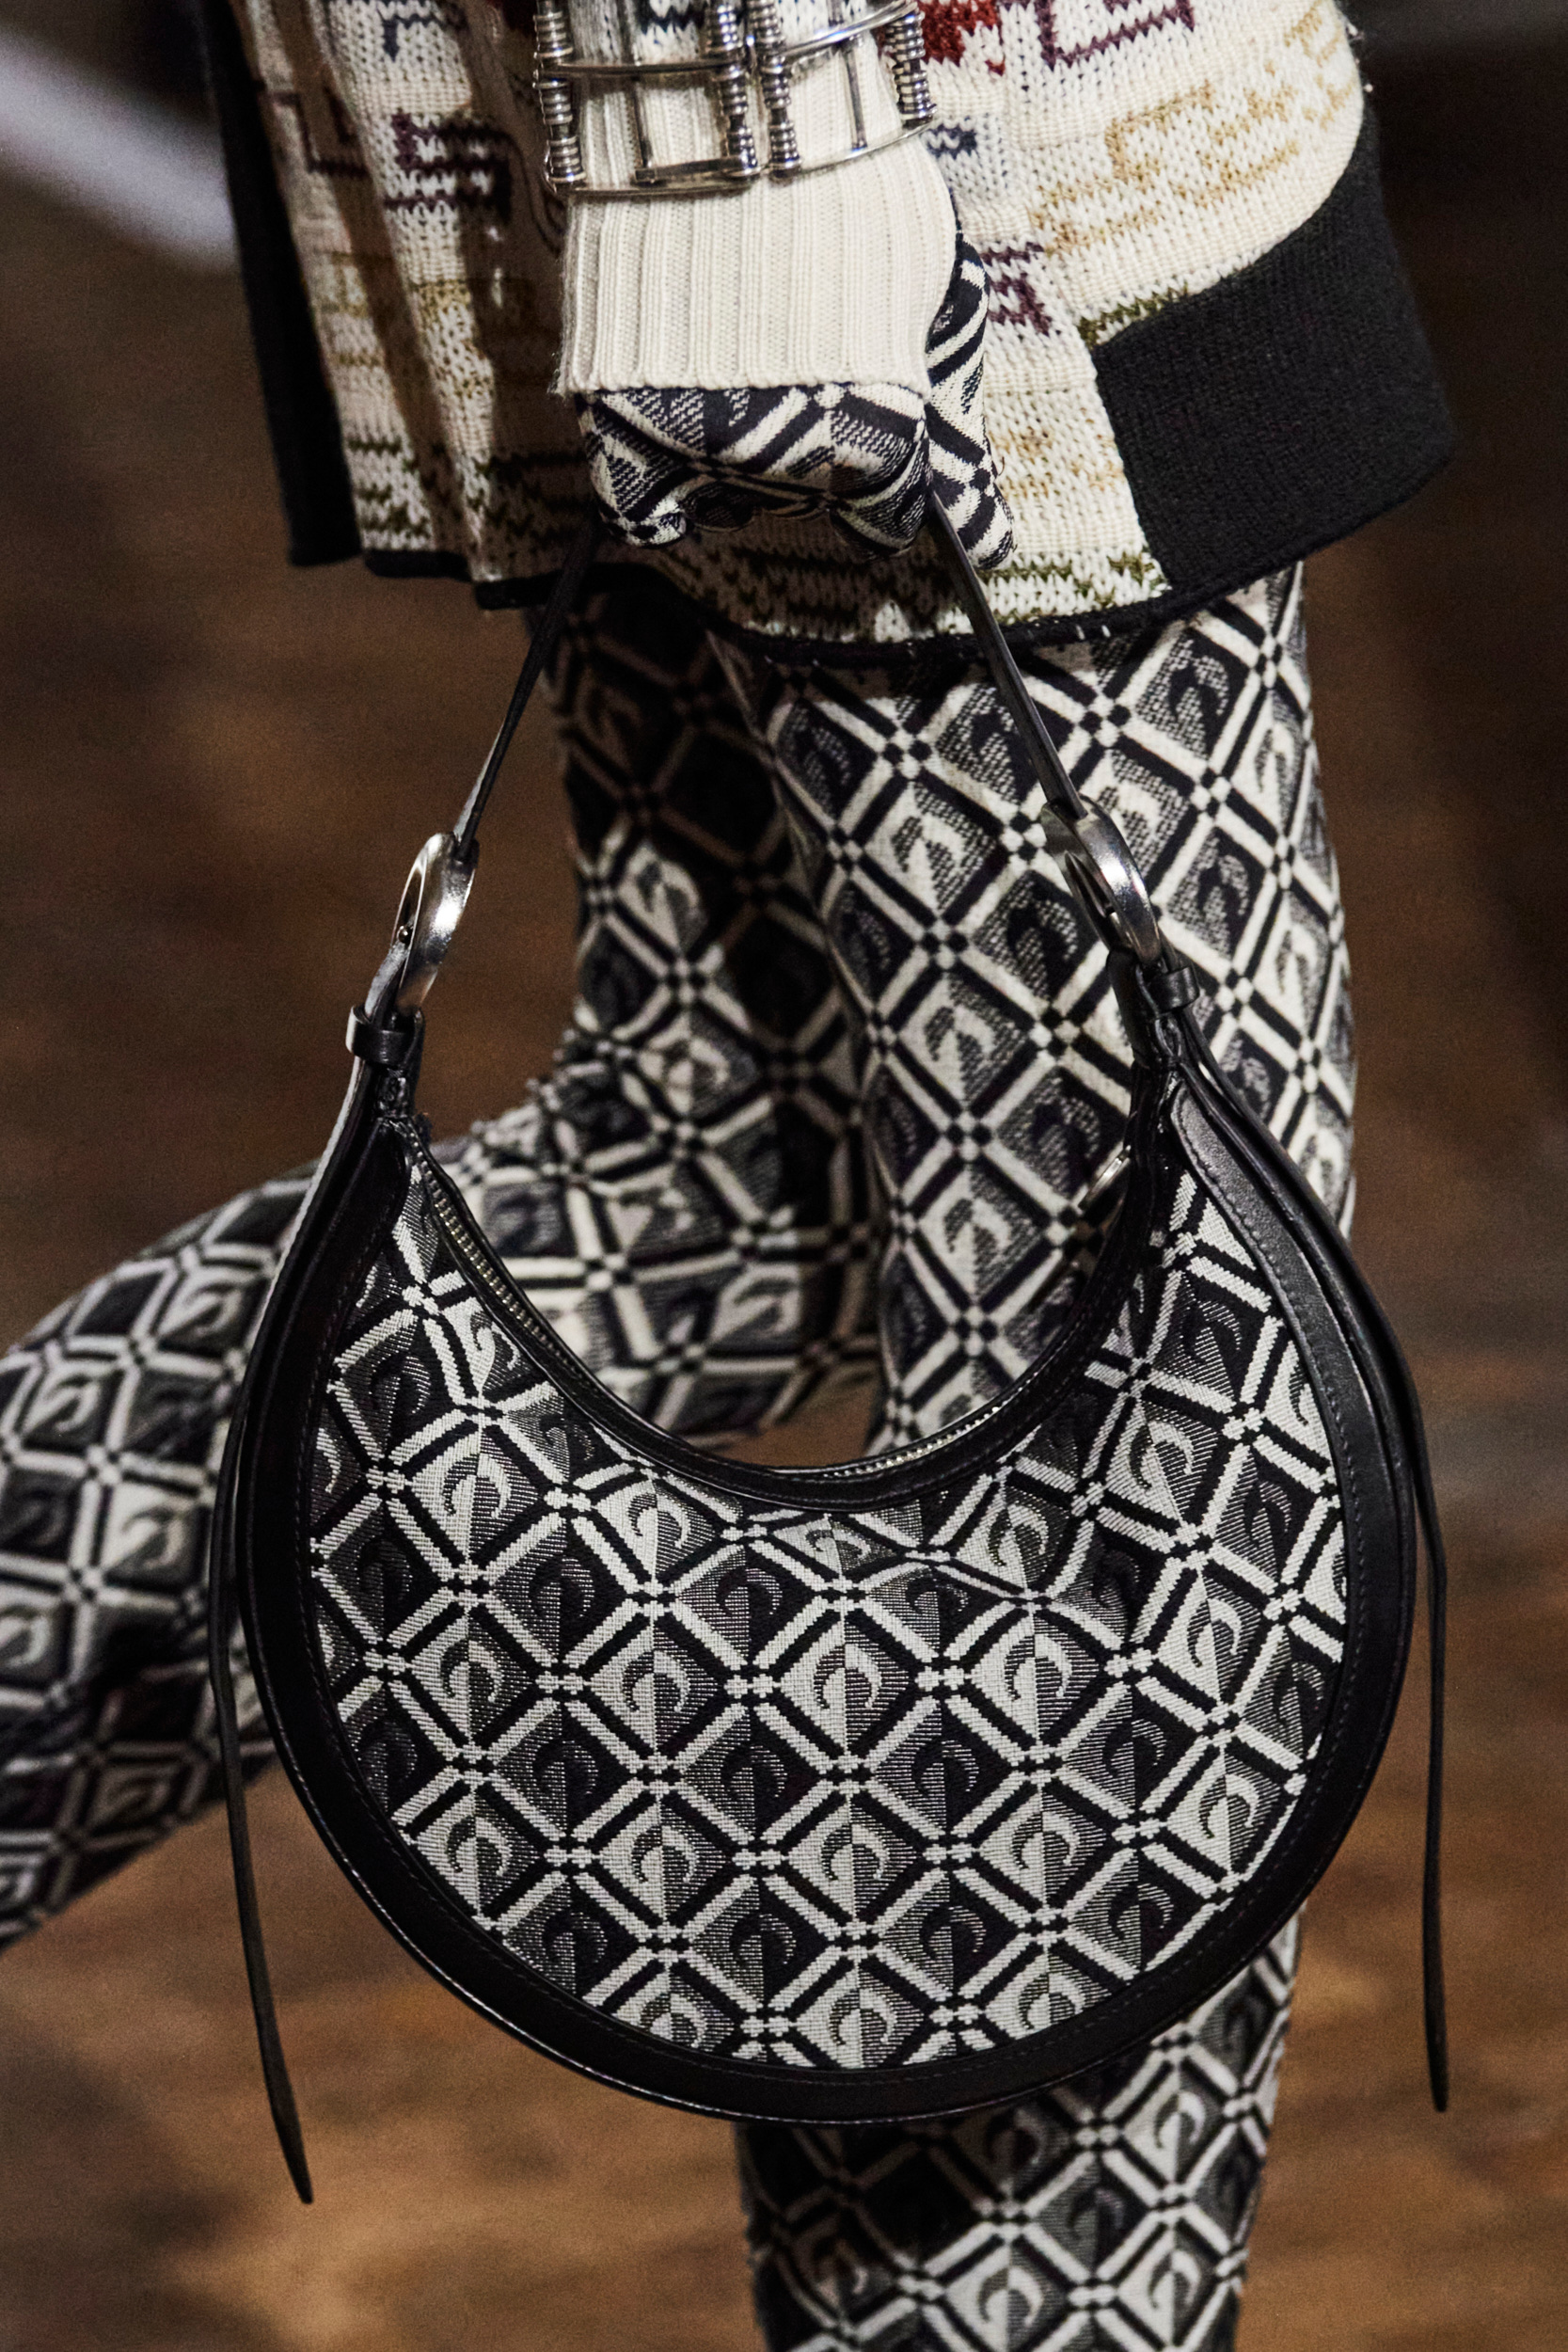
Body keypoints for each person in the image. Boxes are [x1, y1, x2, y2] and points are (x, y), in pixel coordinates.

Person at [0, 0, 1449, 2343]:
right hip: (886, 161)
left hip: (778, 146)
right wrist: (741, 143)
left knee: (744, 1177)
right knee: (1146, 1415)